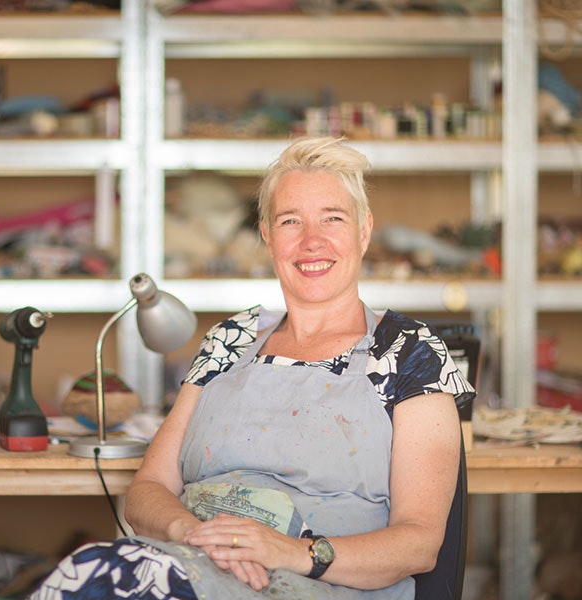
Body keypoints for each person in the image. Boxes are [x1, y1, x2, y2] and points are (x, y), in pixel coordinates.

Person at [29, 136, 475, 599]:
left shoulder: (408, 351)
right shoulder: (231, 340)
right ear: (267, 235)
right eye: (290, 221)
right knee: (90, 572)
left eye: (333, 218)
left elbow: (419, 543)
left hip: (317, 585)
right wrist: (192, 534)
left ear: (364, 232)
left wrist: (292, 552)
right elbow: (149, 488)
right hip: (193, 565)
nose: (312, 241)